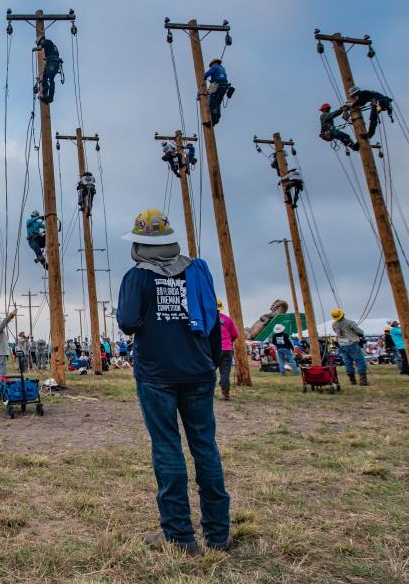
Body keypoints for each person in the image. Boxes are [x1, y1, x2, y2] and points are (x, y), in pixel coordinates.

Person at [115, 207, 231, 555]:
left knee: (167, 448)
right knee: (205, 448)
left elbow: (127, 321)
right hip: (197, 371)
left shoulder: (137, 276)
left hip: (156, 375)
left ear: (139, 243)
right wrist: (210, 363)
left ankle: (180, 537)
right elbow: (212, 320)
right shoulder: (198, 270)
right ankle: (218, 533)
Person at [331, 308, 369, 385]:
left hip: (342, 345)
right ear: (343, 314)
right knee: (360, 361)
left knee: (347, 363)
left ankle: (352, 381)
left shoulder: (334, 324)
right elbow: (360, 332)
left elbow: (337, 333)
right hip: (352, 344)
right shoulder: (350, 322)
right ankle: (363, 381)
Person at [216, 300, 238, 400]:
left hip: (213, 349)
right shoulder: (227, 319)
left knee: (209, 371)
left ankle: (207, 391)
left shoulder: (207, 318)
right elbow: (235, 334)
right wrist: (229, 341)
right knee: (225, 372)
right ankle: (226, 392)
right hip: (226, 349)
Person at [203, 59, 233, 127]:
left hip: (217, 85)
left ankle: (212, 121)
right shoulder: (222, 68)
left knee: (212, 103)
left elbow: (207, 74)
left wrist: (204, 77)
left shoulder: (214, 67)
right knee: (217, 104)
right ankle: (217, 119)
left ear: (213, 63)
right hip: (224, 86)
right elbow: (220, 77)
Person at [33, 36, 62, 104]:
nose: (40, 44)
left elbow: (40, 48)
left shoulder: (46, 41)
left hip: (52, 63)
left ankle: (46, 95)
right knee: (48, 79)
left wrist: (35, 48)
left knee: (47, 78)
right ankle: (48, 96)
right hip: (55, 64)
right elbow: (54, 54)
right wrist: (47, 59)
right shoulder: (51, 44)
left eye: (40, 43)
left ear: (41, 40)